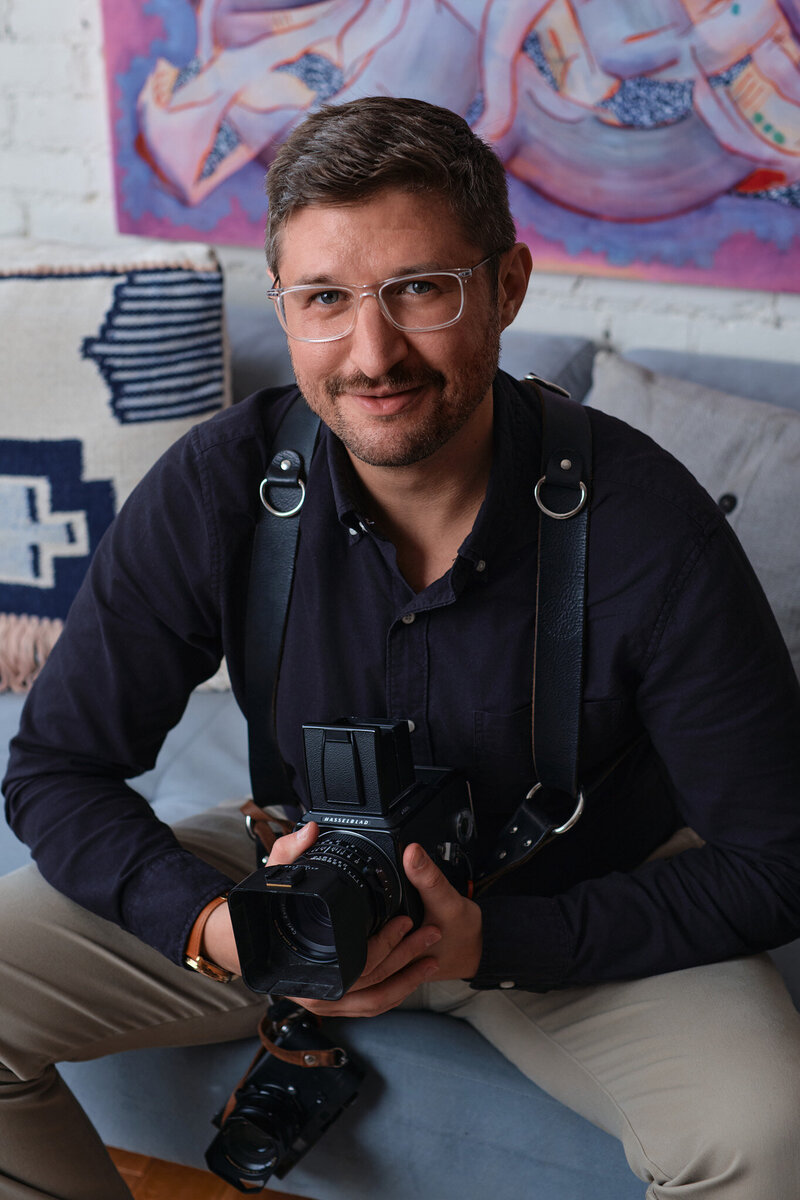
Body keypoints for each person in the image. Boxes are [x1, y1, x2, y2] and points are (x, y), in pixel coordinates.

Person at [3, 95, 800, 1200]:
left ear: (504, 288)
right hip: (297, 876)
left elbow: (777, 858)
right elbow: (53, 770)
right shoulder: (220, 483)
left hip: (572, 897)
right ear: (283, 308)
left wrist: (497, 938)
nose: (370, 354)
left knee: (769, 1136)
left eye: (417, 289)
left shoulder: (645, 522)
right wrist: (206, 920)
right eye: (324, 300)